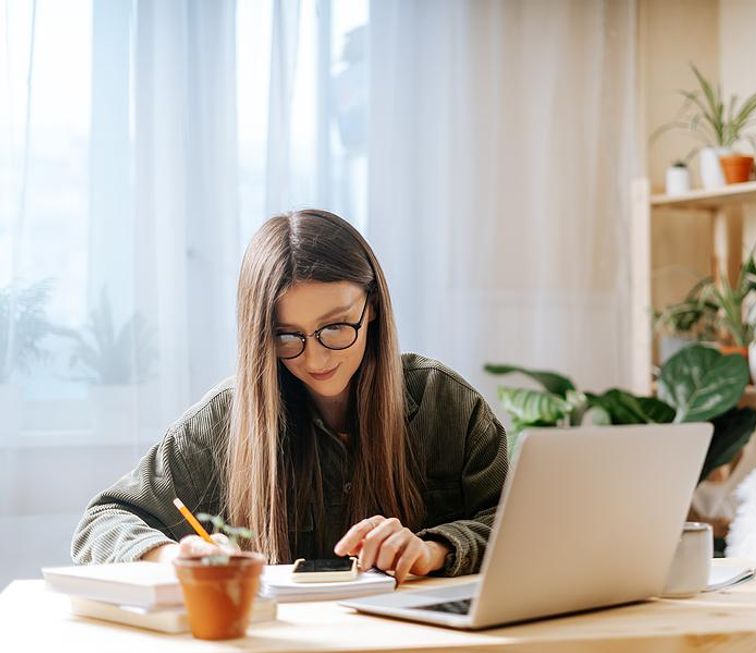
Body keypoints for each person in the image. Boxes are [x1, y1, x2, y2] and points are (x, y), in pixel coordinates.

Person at [71, 210, 508, 583]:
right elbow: (100, 524)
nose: (315, 358)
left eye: (336, 326)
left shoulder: (443, 401)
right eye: (286, 336)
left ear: (371, 306)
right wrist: (173, 557)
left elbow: (520, 528)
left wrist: (434, 550)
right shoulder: (224, 420)